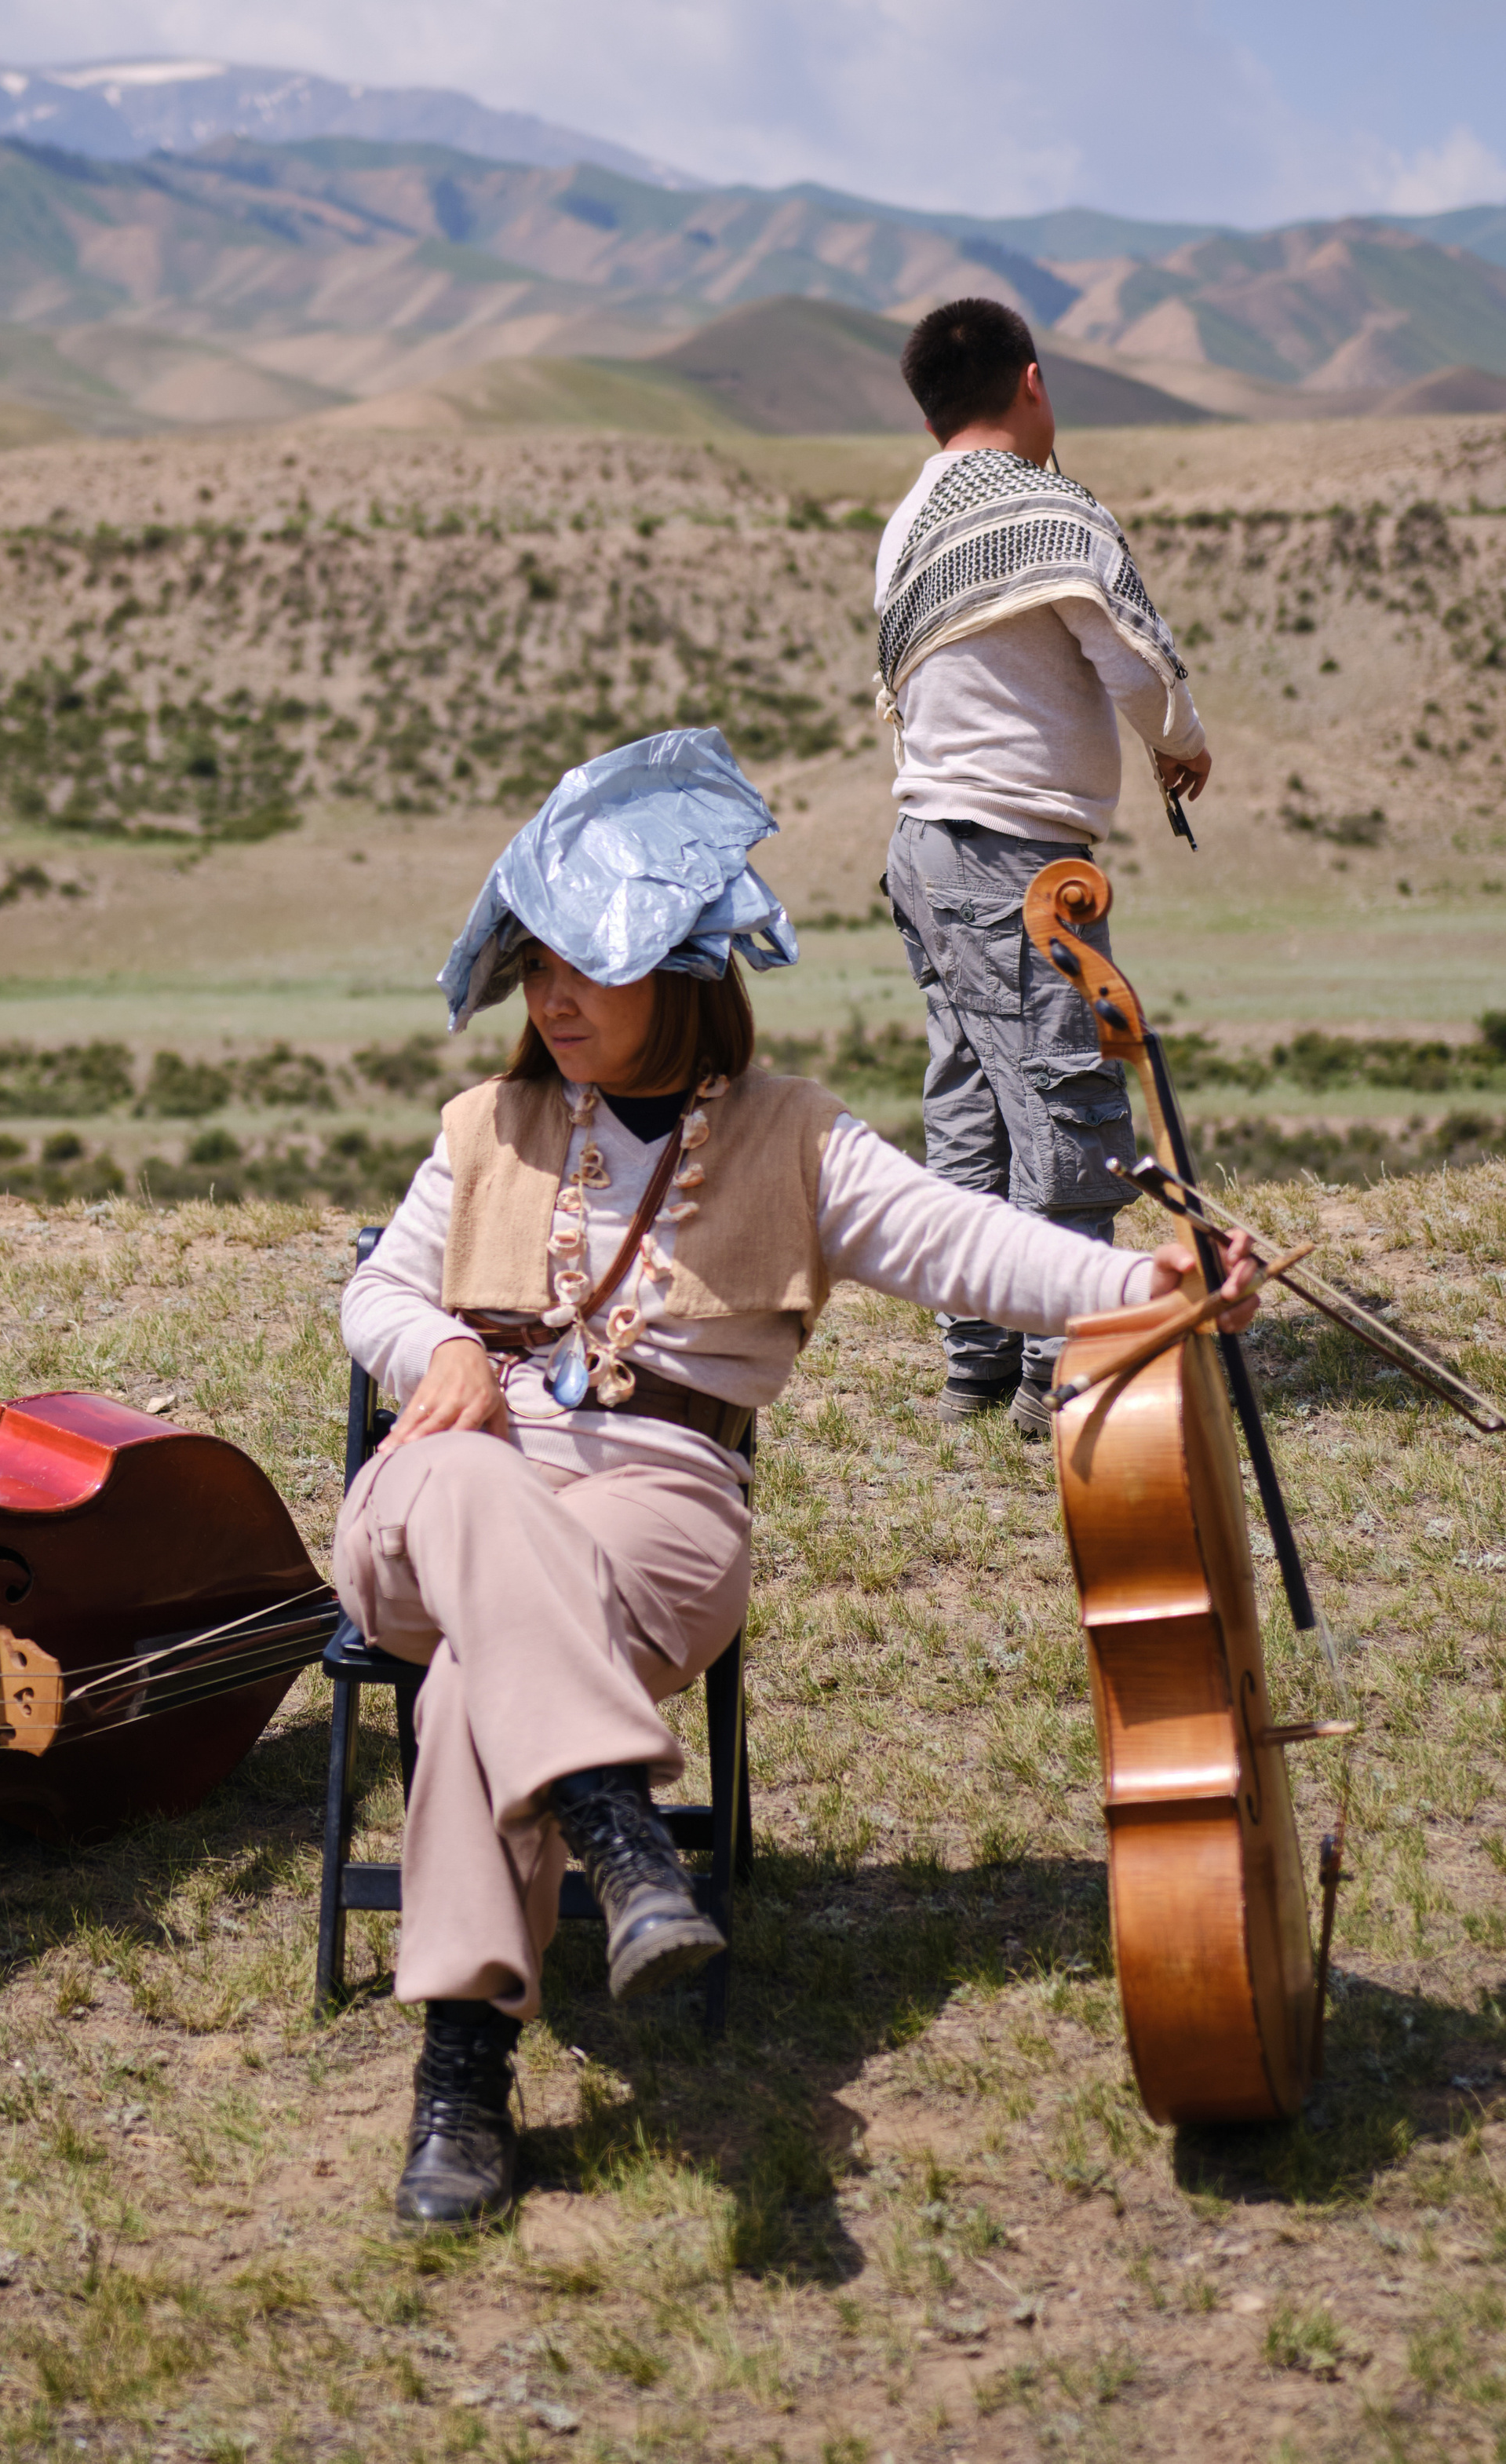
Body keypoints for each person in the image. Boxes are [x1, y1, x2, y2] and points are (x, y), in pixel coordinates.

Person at [334, 725, 1257, 2229]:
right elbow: (376, 1289)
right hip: (439, 1500)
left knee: (464, 1696)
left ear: (682, 971)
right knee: (469, 1483)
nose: (550, 999)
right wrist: (427, 1343)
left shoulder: (795, 1139)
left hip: (655, 1515)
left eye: (587, 965)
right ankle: (622, 1832)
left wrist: (1138, 1280)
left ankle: (461, 2087)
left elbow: (965, 1245)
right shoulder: (481, 1130)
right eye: (536, 968)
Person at [875, 296, 1213, 1438]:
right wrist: (1182, 741)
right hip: (1016, 856)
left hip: (922, 845)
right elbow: (1130, 656)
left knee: (970, 1103)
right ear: (1030, 382)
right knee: (1069, 1105)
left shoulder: (909, 514)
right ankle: (1060, 1377)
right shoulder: (1045, 504)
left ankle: (975, 1365)